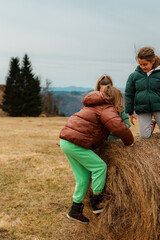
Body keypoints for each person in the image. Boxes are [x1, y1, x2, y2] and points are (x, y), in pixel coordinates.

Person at [59, 86, 134, 224]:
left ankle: (75, 210)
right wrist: (130, 141)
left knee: (83, 177)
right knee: (100, 167)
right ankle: (96, 200)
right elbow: (119, 127)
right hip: (76, 144)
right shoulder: (106, 108)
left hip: (66, 141)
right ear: (116, 100)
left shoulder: (93, 106)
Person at [125, 47, 160, 138]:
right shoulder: (134, 76)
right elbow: (129, 94)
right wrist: (130, 111)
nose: (142, 67)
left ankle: (159, 123)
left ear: (152, 61)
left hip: (159, 106)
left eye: (145, 64)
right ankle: (152, 124)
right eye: (140, 64)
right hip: (143, 108)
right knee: (144, 136)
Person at [94, 74, 131, 140]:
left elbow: (127, 123)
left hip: (116, 140)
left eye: (107, 91)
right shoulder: (94, 106)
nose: (105, 94)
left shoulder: (119, 106)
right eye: (103, 92)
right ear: (98, 90)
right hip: (100, 140)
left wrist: (117, 130)